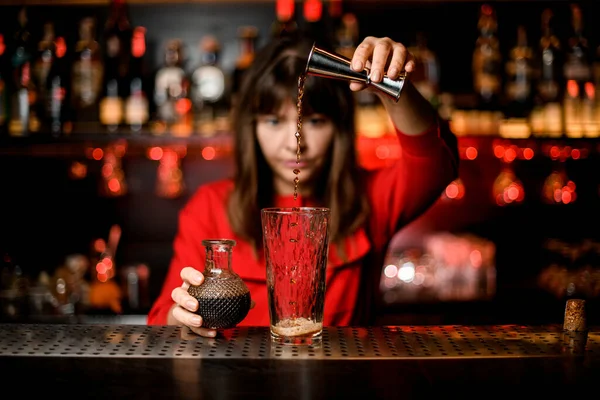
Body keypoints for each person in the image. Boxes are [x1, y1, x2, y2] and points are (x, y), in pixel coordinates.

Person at [147, 33, 459, 337]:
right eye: (273, 121)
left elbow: (436, 165)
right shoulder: (210, 206)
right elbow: (162, 319)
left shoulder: (368, 198)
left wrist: (390, 85)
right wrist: (182, 316)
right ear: (250, 128)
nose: (294, 143)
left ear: (339, 128)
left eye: (315, 121)